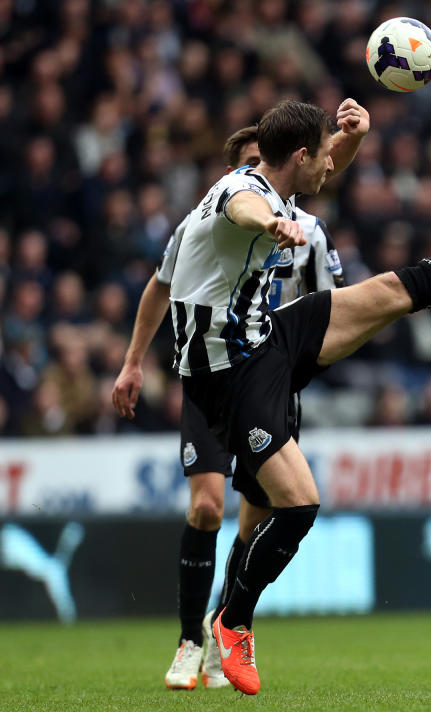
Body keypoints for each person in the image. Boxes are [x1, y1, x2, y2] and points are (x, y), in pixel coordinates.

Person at [171, 98, 431, 695]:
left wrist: (347, 134)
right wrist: (273, 225)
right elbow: (245, 206)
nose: (330, 172)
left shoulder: (284, 173)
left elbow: (319, 162)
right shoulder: (244, 192)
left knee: (394, 290)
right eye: (323, 158)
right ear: (298, 156)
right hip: (224, 373)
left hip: (267, 334)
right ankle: (231, 623)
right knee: (299, 505)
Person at [111, 123, 346, 690]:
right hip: (208, 378)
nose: (251, 178)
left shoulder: (309, 231)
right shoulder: (211, 216)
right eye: (243, 166)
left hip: (269, 382)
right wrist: (133, 360)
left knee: (256, 522)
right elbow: (160, 286)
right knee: (207, 508)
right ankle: (191, 640)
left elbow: (327, 177)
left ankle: (226, 628)